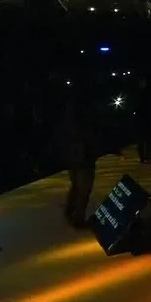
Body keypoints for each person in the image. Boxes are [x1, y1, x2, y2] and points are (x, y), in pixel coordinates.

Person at [57, 88, 102, 229]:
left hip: (73, 154)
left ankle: (69, 211)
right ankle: (78, 219)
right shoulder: (84, 115)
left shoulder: (68, 114)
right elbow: (88, 135)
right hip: (83, 155)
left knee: (76, 185)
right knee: (84, 188)